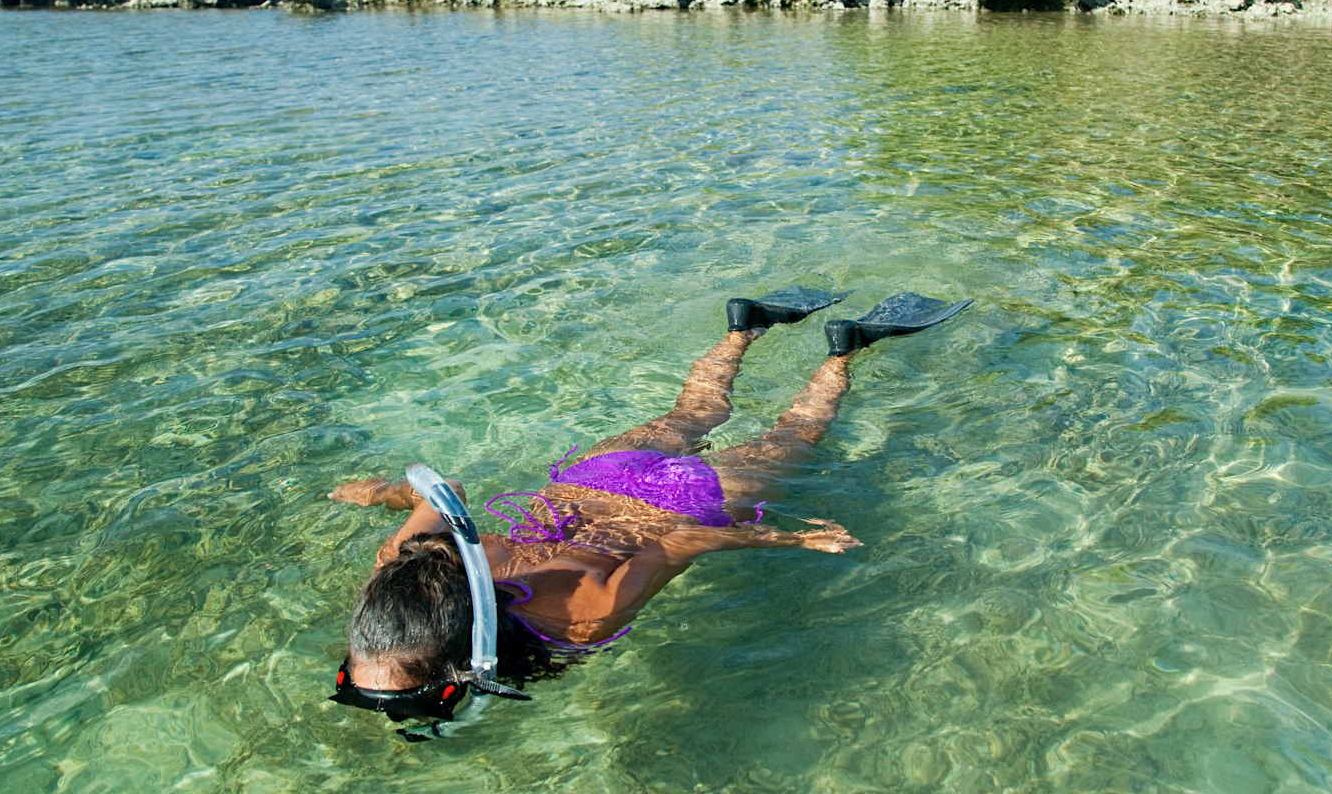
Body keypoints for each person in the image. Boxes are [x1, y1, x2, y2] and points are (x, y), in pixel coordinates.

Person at [327, 287, 970, 727]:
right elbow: (445, 491)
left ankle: (846, 348)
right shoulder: (408, 556)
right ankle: (743, 326)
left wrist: (789, 541)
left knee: (790, 437)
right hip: (592, 480)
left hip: (677, 503)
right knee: (695, 412)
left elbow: (683, 540)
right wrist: (386, 493)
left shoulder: (583, 621)